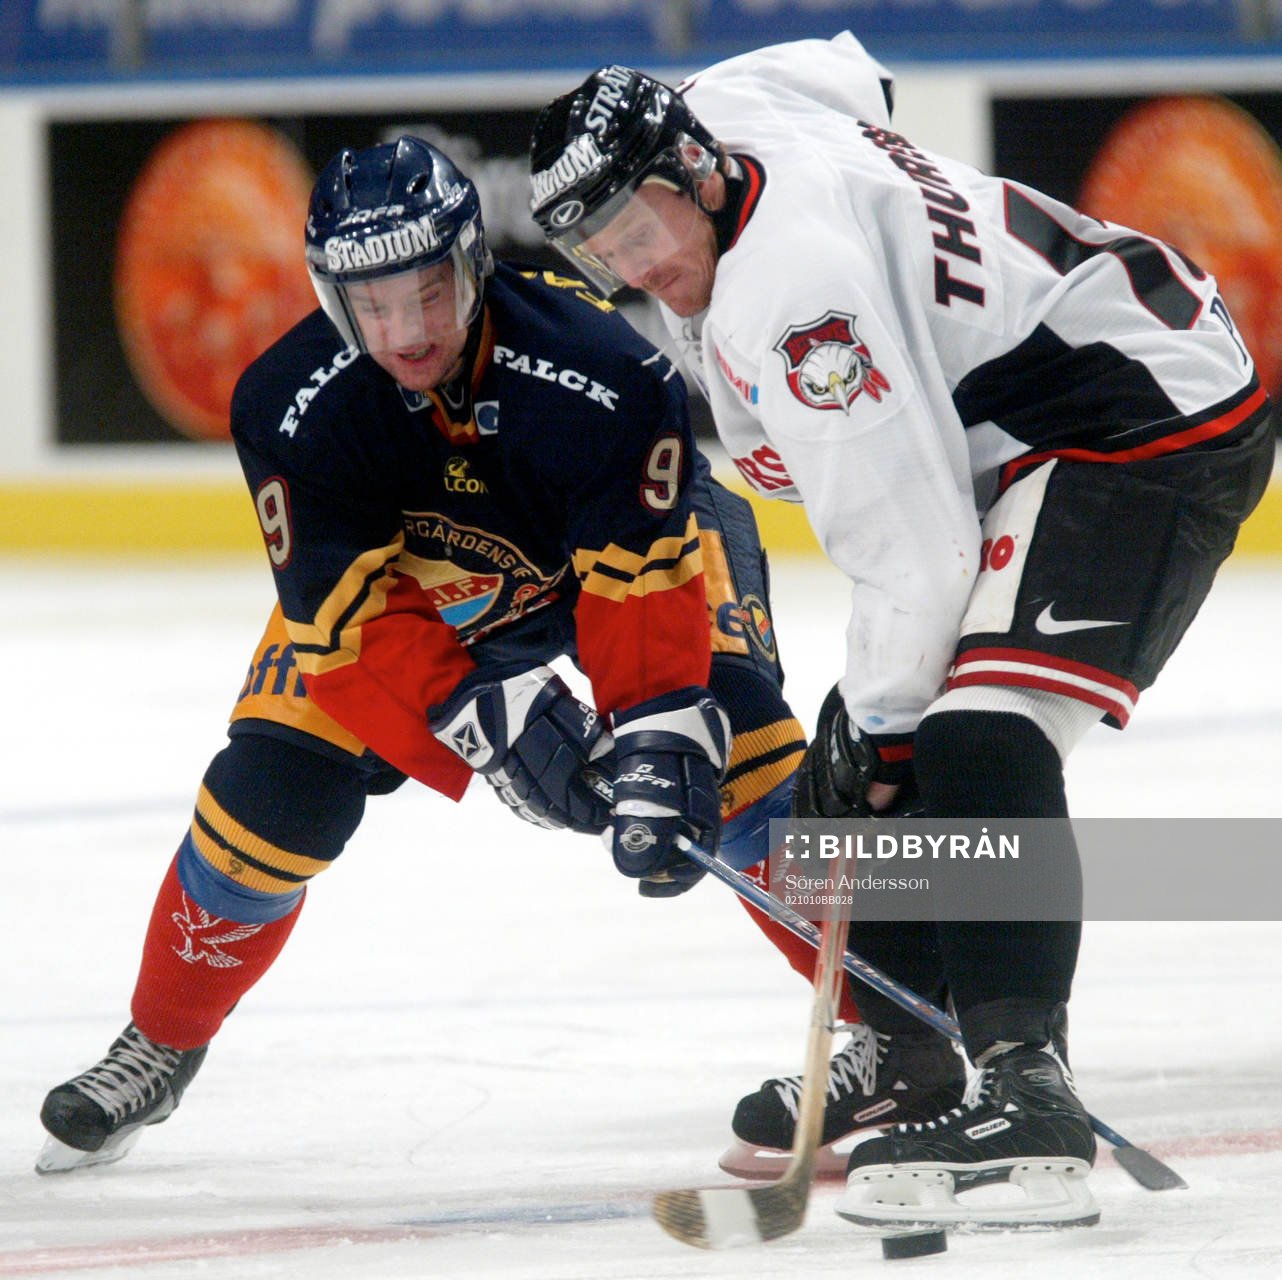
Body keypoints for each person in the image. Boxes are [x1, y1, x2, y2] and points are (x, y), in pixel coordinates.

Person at [529, 36, 1274, 1227]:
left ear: (695, 169)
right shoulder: (727, 107)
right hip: (1048, 404)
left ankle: (1027, 1085)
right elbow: (848, 66)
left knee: (972, 740)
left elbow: (914, 555)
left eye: (639, 226)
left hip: (1145, 417)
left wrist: (883, 746)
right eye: (597, 249)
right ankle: (910, 1041)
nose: (633, 267)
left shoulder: (796, 303)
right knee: (859, 752)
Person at [36, 135, 834, 1174]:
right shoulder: (289, 406)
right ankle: (161, 1036)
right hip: (417, 603)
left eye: (429, 293)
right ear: (330, 296)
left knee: (745, 774)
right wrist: (486, 712)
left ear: (473, 263)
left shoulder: (607, 371)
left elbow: (636, 581)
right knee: (268, 799)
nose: (407, 333)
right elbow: (346, 618)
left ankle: (895, 1031)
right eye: (373, 305)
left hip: (630, 570)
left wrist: (653, 731)